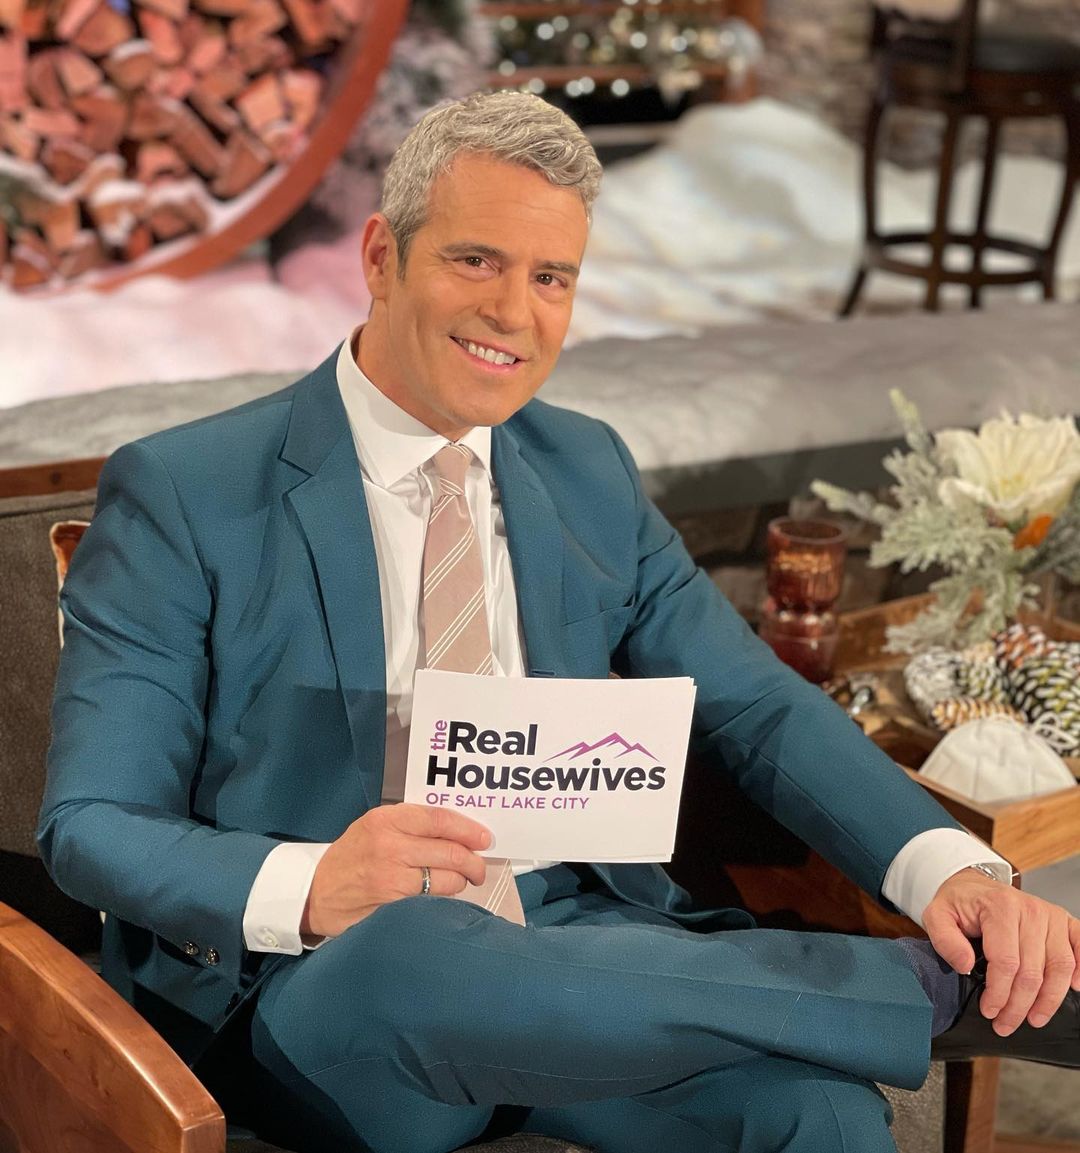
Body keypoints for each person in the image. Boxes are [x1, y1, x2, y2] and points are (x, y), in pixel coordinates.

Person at [40, 91, 1079, 1153]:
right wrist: (315, 886)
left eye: (551, 279)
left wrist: (946, 866)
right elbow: (90, 822)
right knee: (416, 952)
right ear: (381, 256)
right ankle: (935, 997)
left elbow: (758, 708)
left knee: (820, 1114)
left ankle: (907, 991)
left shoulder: (587, 471)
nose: (514, 312)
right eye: (476, 261)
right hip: (332, 995)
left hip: (577, 955)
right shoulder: (185, 489)